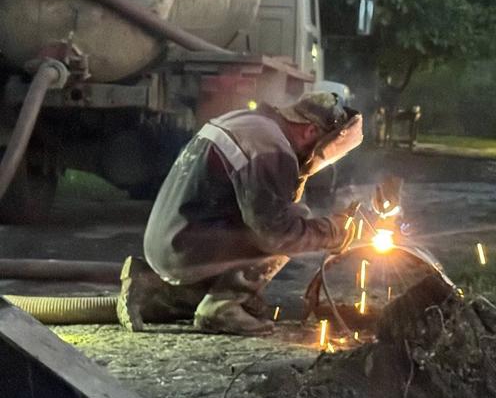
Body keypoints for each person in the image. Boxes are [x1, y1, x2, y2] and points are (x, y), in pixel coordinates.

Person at [117, 92, 363, 336]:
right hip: (184, 247)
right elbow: (276, 233)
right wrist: (331, 232)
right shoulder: (271, 147)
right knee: (289, 228)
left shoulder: (249, 123)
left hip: (170, 242)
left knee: (282, 221)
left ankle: (150, 285)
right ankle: (222, 307)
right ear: (310, 131)